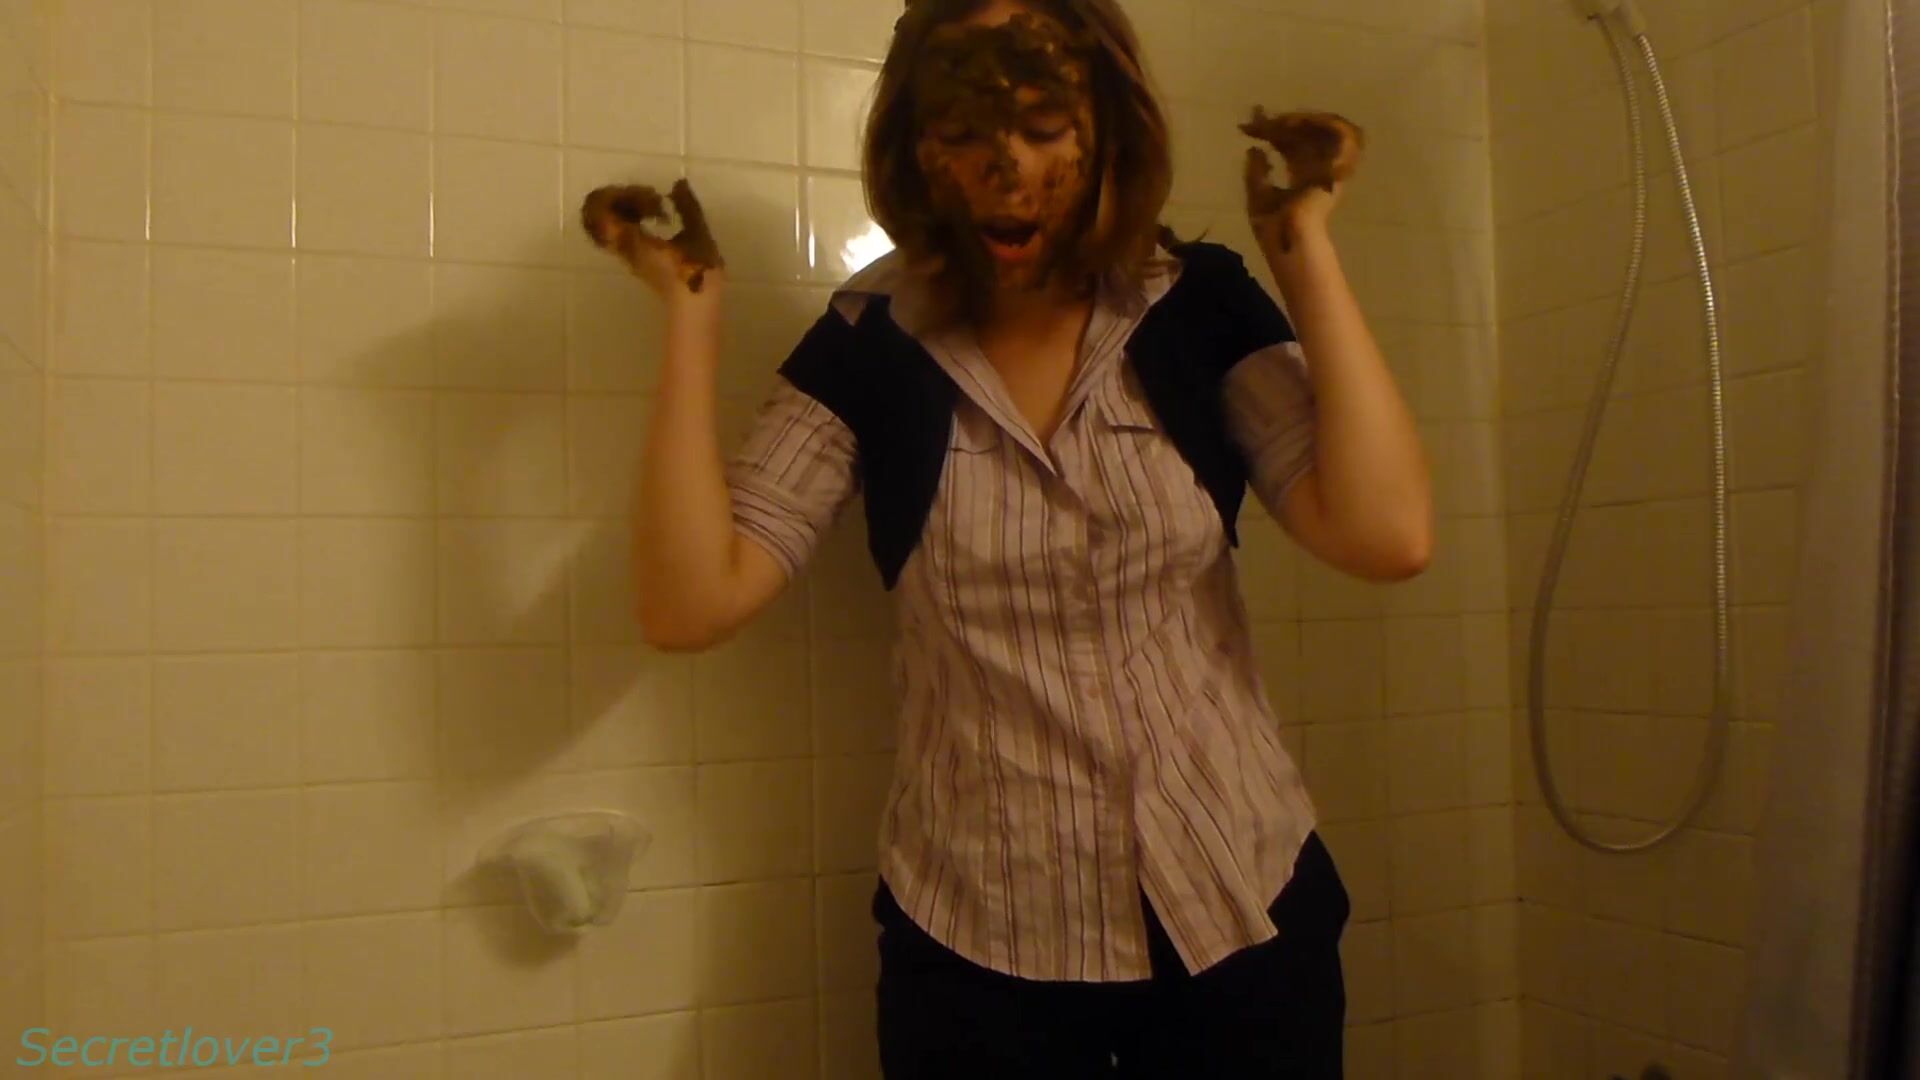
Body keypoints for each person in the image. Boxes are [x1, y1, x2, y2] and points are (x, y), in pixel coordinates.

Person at [580, 0, 1432, 1074]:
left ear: (1105, 126)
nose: (1007, 169)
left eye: (1041, 125)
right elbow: (689, 603)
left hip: (1240, 904)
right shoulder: (870, 342)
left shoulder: (1196, 305)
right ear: (914, 146)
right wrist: (690, 313)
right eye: (963, 131)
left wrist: (1304, 250)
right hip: (979, 946)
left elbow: (1386, 536)